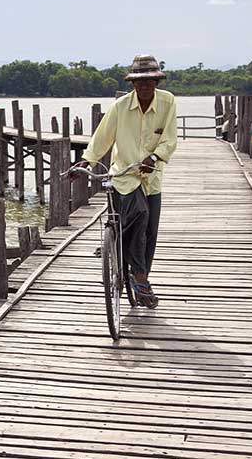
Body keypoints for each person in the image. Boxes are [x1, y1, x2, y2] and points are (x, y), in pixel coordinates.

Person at [76, 54, 177, 308]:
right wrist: (86, 161)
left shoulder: (167, 102)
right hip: (124, 175)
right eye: (139, 82)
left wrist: (154, 157)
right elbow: (103, 137)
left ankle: (139, 278)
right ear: (132, 84)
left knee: (150, 233)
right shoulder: (120, 106)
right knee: (138, 216)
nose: (144, 86)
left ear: (157, 82)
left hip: (151, 178)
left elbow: (170, 138)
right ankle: (139, 277)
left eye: (149, 81)